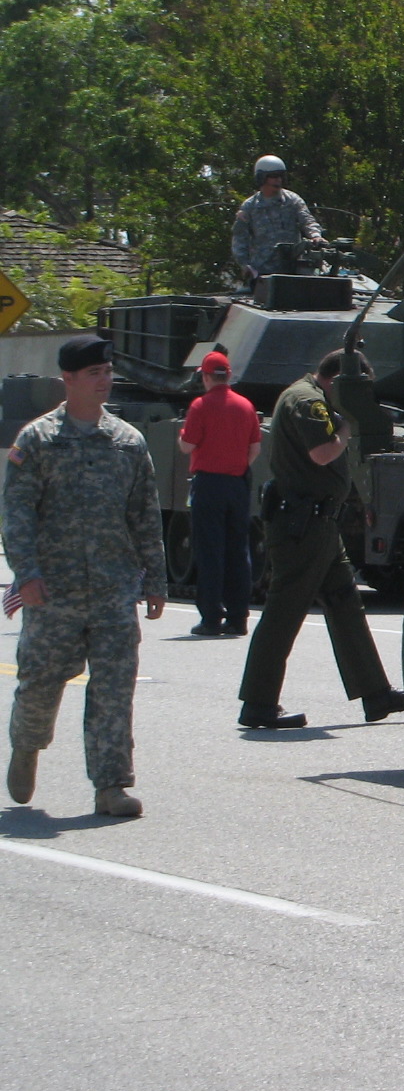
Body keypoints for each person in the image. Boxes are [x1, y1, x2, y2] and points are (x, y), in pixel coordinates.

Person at [4, 334, 167, 816]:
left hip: (114, 589)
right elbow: (16, 513)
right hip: (53, 590)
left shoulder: (127, 441)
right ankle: (27, 746)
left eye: (107, 371)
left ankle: (111, 785)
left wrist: (155, 579)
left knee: (114, 688)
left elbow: (144, 515)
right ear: (68, 380)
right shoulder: (37, 440)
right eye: (93, 373)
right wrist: (26, 573)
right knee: (40, 681)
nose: (104, 380)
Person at [236, 349, 404, 728]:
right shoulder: (309, 401)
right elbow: (322, 452)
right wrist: (346, 427)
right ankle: (258, 703)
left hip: (319, 524)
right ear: (338, 381)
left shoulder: (309, 396)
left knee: (346, 604)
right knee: (284, 612)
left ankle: (375, 694)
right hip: (302, 525)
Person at [178, 350, 263, 636]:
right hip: (237, 483)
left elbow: (188, 446)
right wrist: (235, 466)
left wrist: (182, 437)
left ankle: (211, 617)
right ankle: (238, 618)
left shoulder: (200, 406)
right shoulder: (246, 406)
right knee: (238, 550)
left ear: (205, 376)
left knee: (209, 550)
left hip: (209, 484)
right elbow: (255, 448)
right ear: (228, 375)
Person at [231, 154, 324, 281]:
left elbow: (307, 220)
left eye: (280, 176)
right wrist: (245, 265)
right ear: (262, 178)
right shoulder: (250, 207)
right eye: (273, 176)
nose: (278, 180)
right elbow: (239, 238)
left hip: (293, 270)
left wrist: (315, 236)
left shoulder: (292, 200)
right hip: (263, 273)